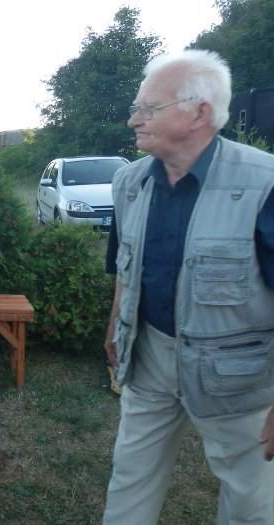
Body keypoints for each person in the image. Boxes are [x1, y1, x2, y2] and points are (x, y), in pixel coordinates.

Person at [103, 49, 274, 524]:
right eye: (136, 108)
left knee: (251, 501)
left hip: (239, 372)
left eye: (148, 108)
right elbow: (125, 266)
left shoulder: (265, 183)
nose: (133, 119)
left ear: (199, 113)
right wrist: (115, 326)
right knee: (130, 478)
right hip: (149, 355)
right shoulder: (129, 182)